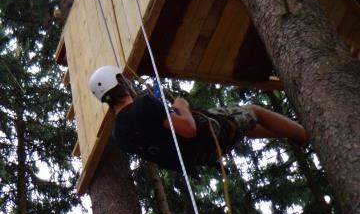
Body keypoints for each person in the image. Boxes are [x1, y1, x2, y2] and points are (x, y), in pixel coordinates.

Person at [89, 66, 310, 173]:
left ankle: (294, 134)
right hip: (206, 136)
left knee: (245, 127)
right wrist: (181, 106)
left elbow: (159, 138)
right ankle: (306, 133)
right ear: (121, 83)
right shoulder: (143, 104)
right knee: (253, 111)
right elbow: (188, 129)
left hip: (202, 156)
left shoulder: (120, 136)